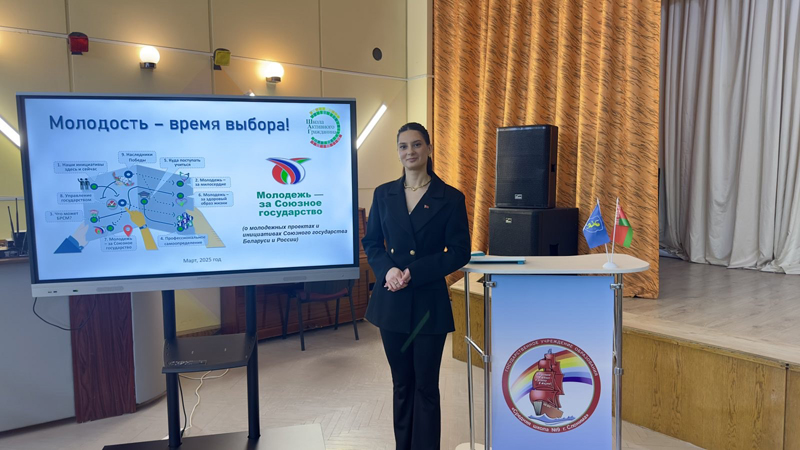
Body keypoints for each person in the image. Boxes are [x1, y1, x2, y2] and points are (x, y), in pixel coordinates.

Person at [362, 122, 471, 450]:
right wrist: (387, 270)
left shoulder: (450, 198)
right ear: (398, 152)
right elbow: (372, 243)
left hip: (428, 305)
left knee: (425, 386)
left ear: (429, 149)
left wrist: (414, 270)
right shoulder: (383, 194)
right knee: (402, 385)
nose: (410, 151)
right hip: (391, 303)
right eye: (403, 146)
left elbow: (459, 251)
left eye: (417, 144)